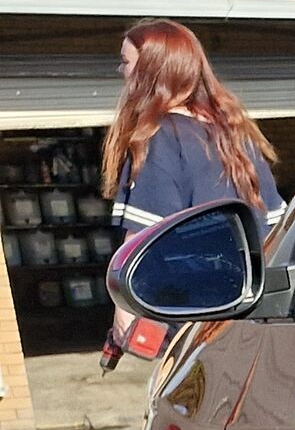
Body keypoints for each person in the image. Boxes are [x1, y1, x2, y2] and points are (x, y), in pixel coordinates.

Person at [99, 19, 281, 370]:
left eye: (126, 62)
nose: (120, 71)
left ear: (151, 70)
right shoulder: (236, 134)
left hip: (194, 321)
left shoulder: (158, 137)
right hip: (251, 315)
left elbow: (141, 240)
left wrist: (124, 315)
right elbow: (276, 230)